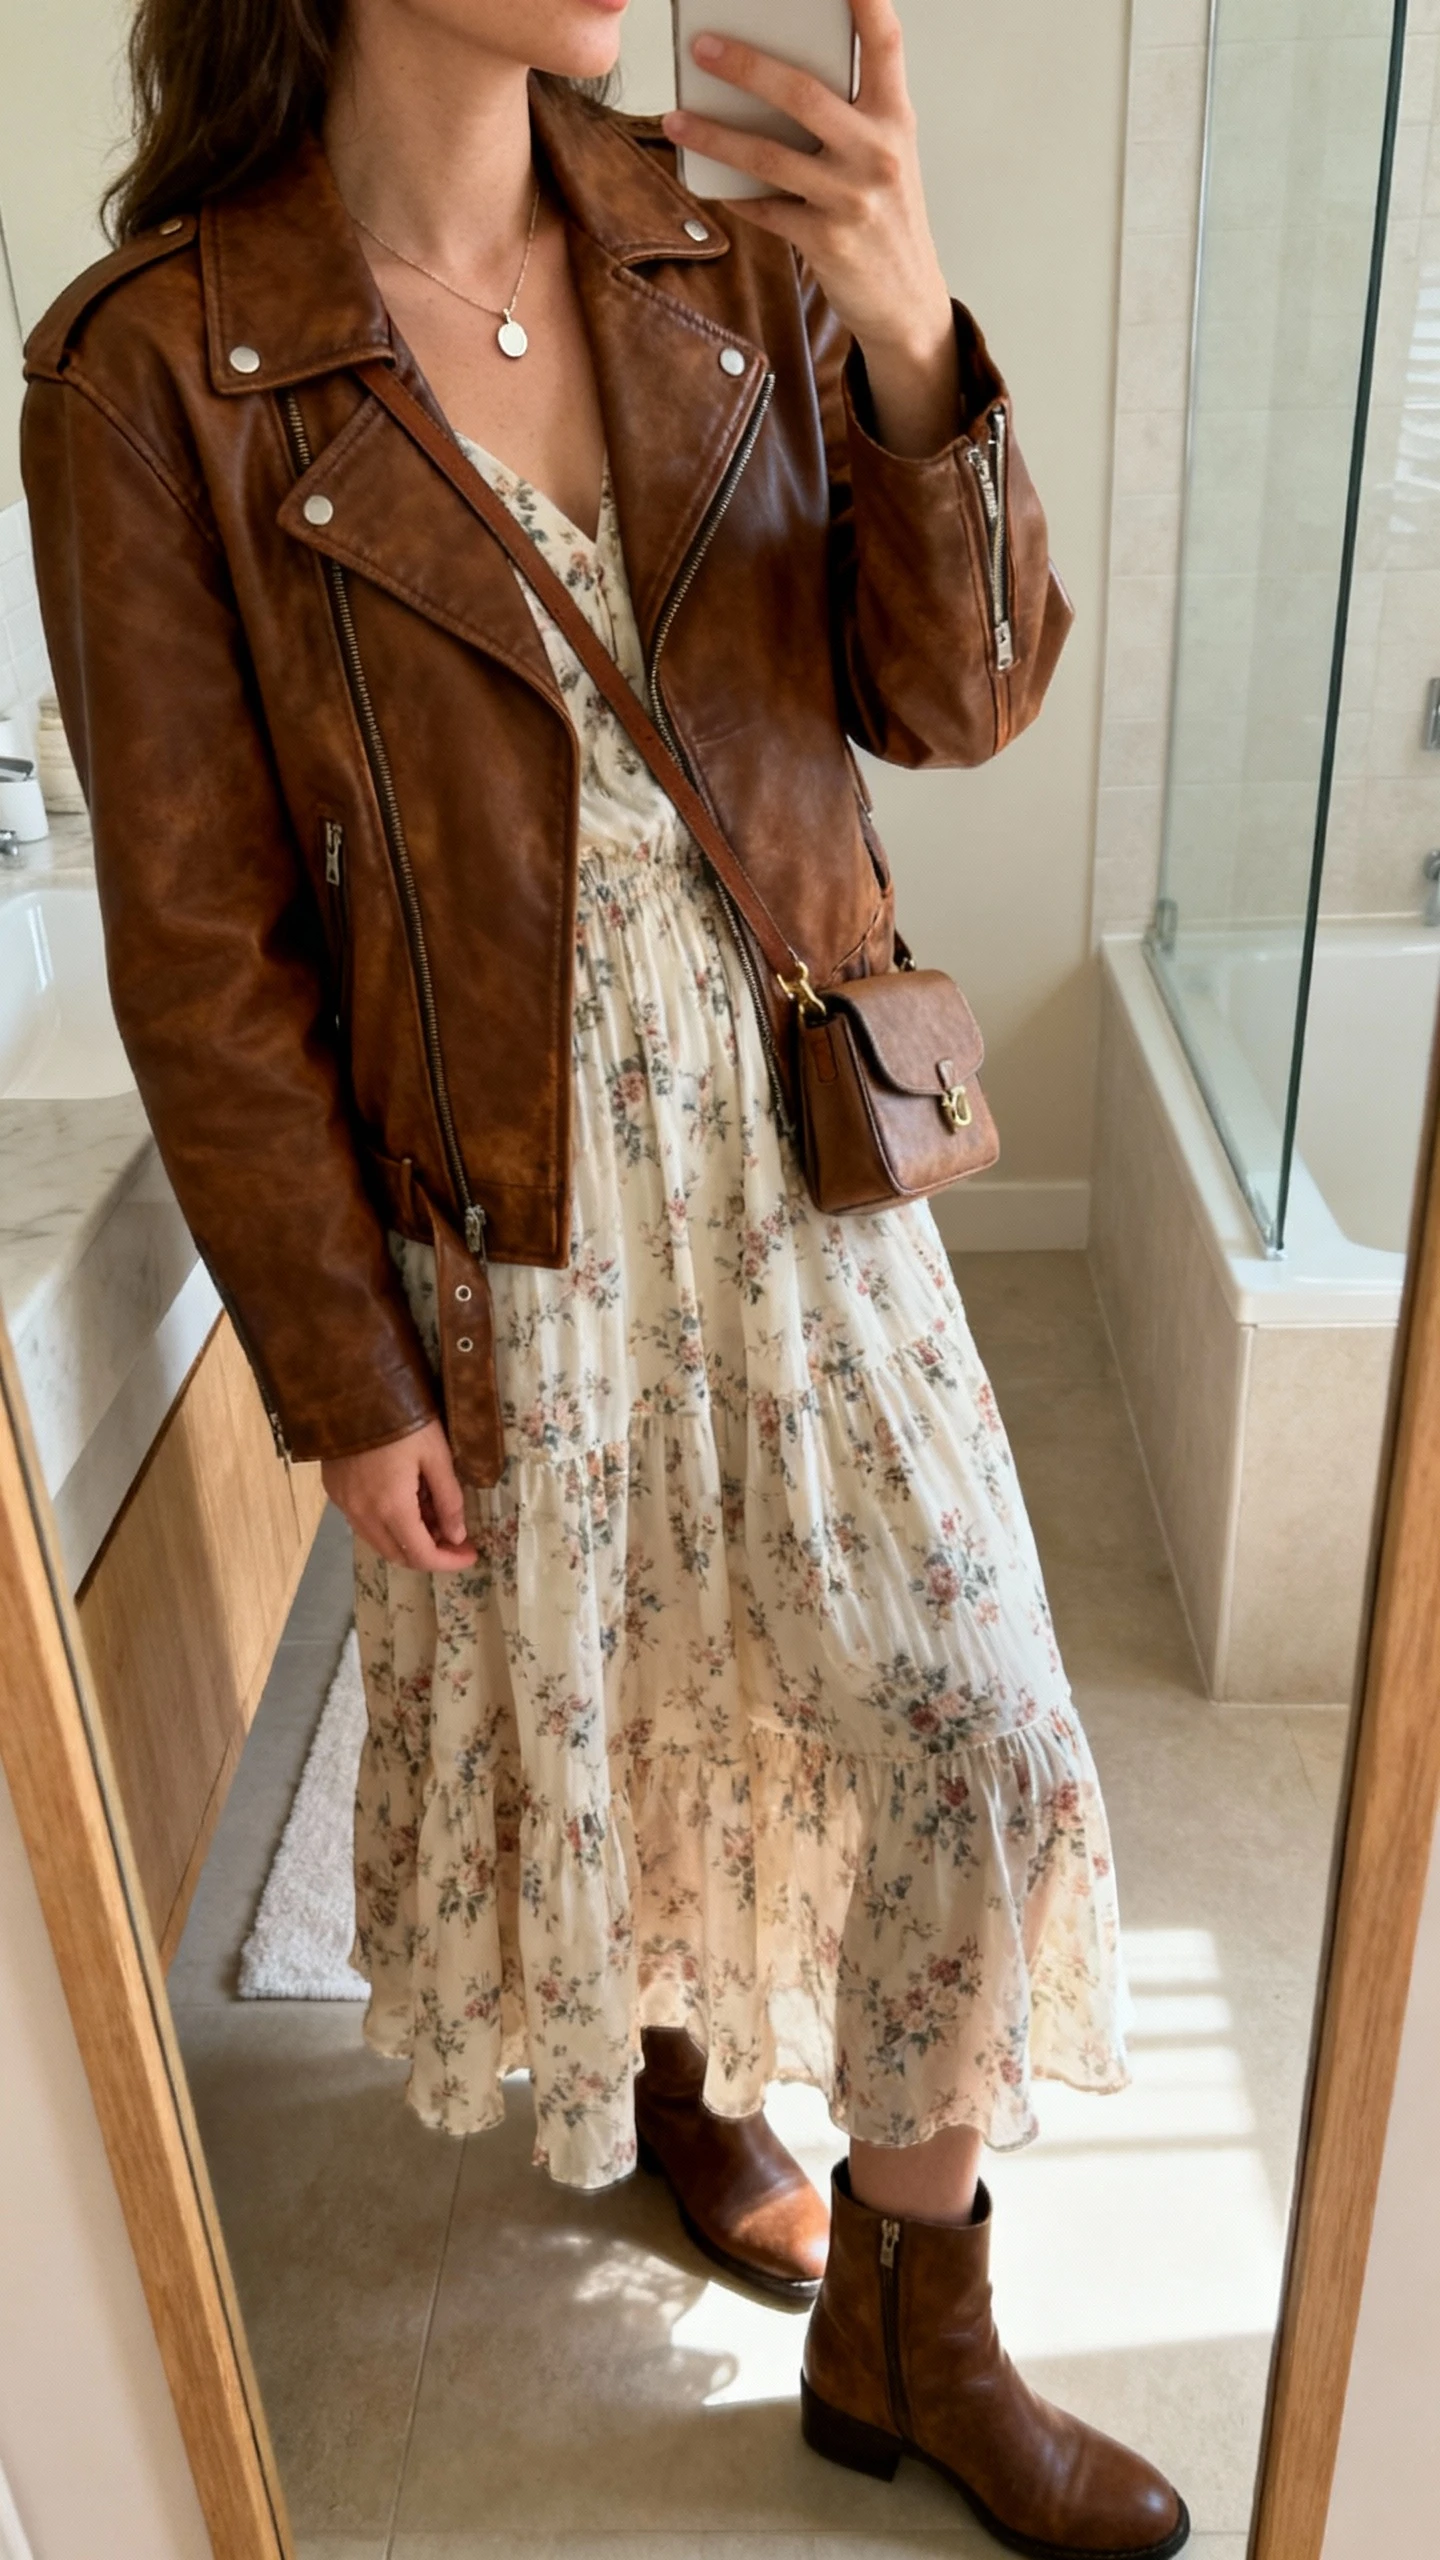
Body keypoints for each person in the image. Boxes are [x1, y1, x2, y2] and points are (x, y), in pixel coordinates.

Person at [22, 0, 1188, 2549]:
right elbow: (199, 945)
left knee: (967, 1720)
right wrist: (339, 1362)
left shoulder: (712, 244)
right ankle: (683, 2073)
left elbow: (953, 695)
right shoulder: (159, 374)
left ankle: (923, 2304)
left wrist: (908, 333)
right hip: (509, 1211)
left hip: (797, 1159)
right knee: (635, 1687)